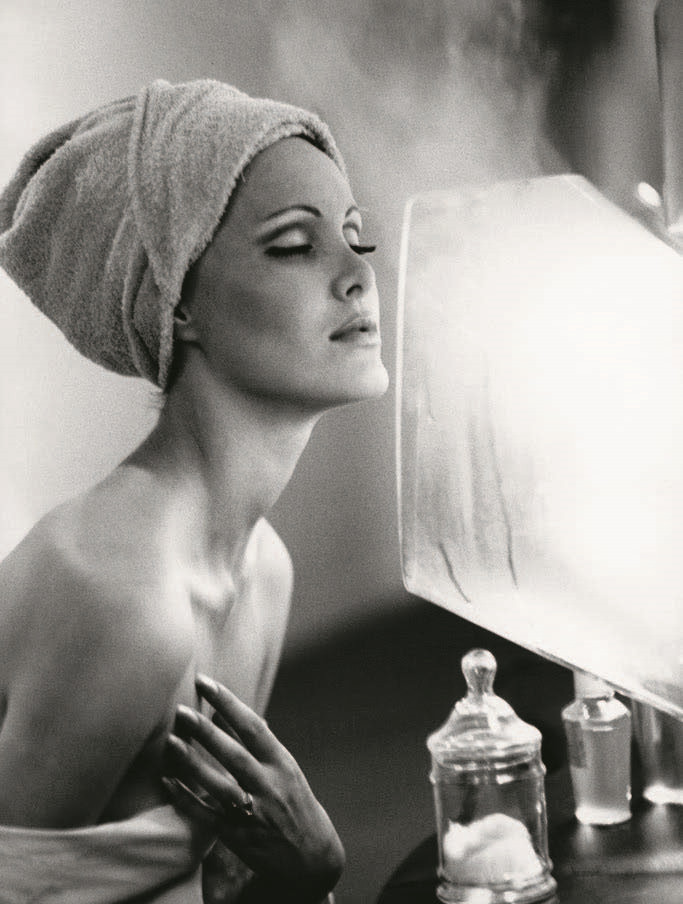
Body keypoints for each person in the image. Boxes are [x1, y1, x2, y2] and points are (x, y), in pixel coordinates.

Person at [0, 78, 389, 903]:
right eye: (294, 245)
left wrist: (304, 872)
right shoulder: (124, 599)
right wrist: (313, 873)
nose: (358, 273)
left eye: (356, 236)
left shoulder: (262, 569)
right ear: (180, 304)